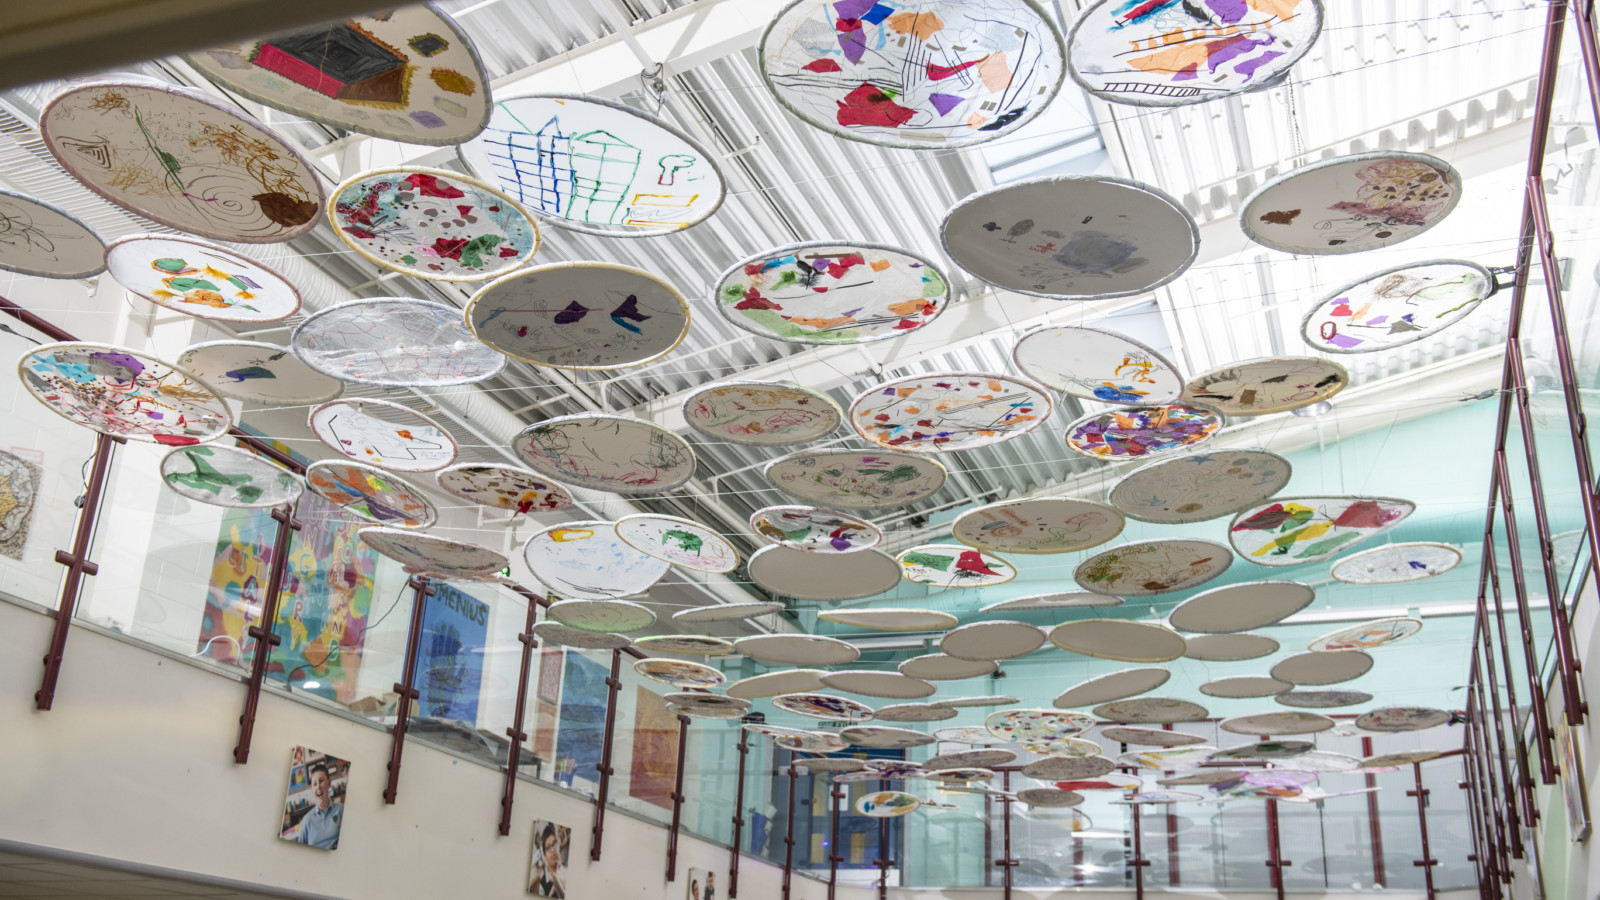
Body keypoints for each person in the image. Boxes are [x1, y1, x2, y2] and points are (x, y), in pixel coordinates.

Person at [293, 763, 342, 850]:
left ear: (329, 783)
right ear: (312, 790)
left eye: (321, 781)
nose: (318, 786)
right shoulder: (306, 821)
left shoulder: (341, 810)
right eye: (314, 784)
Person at [531, 823, 566, 898]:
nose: (553, 850)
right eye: (548, 847)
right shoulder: (542, 884)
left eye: (554, 844)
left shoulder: (564, 870)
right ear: (544, 855)